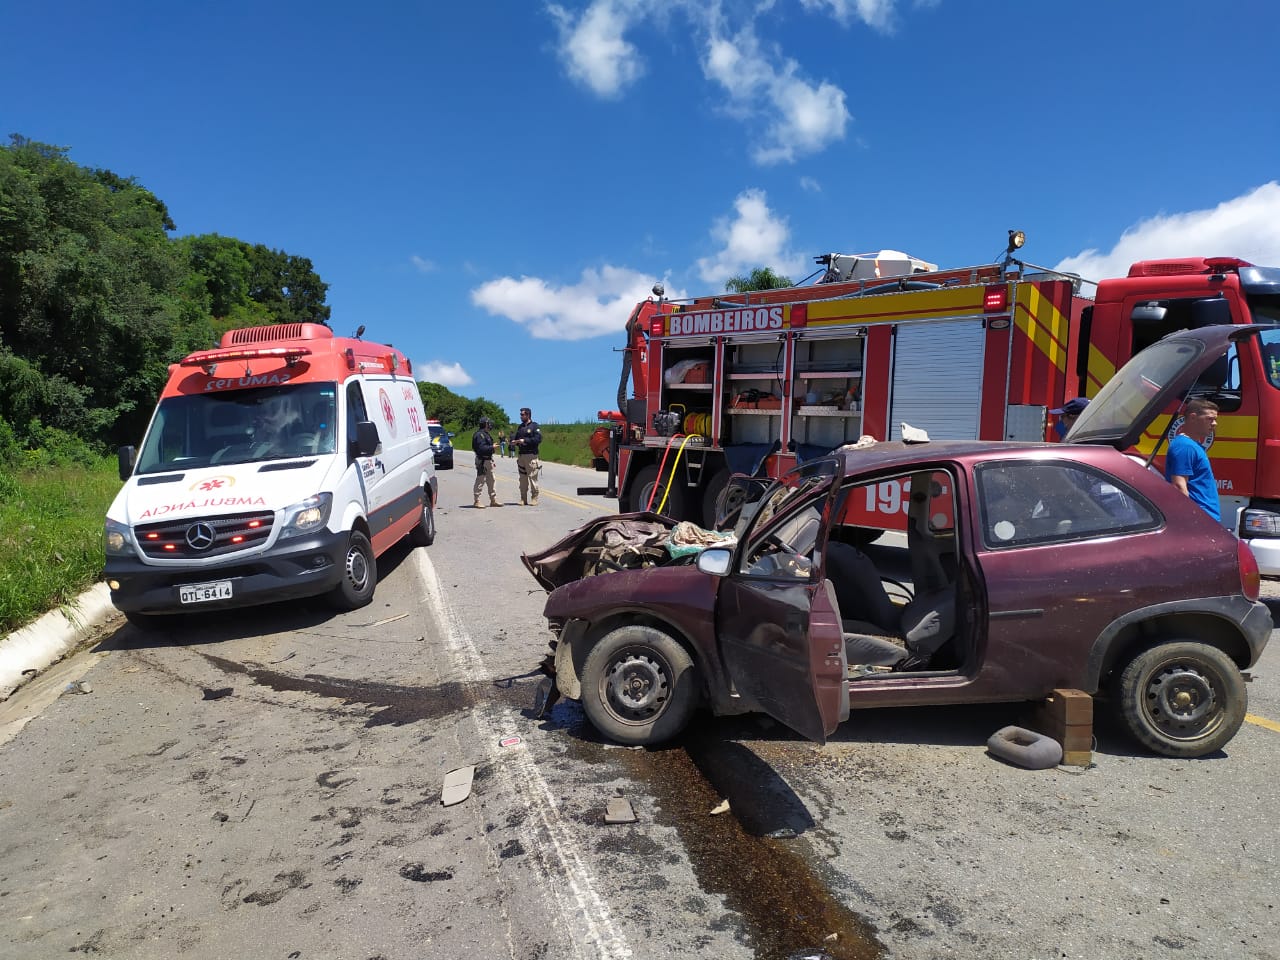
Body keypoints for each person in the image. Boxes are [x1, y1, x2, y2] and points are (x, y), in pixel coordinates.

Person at [1164, 398, 1221, 521]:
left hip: (1206, 518)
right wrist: (1190, 520)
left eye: (1215, 419)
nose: (1215, 423)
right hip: (1199, 519)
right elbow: (1179, 486)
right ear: (1193, 417)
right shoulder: (1185, 447)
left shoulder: (1192, 445)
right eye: (1209, 419)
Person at [511, 406, 542, 506]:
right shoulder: (520, 427)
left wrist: (525, 441)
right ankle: (523, 498)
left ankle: (534, 498)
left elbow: (538, 439)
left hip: (531, 455)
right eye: (520, 414)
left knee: (532, 478)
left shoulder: (534, 426)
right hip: (521, 456)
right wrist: (514, 442)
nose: (521, 416)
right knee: (522, 479)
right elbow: (516, 438)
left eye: (522, 414)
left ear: (528, 415)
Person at [471, 417, 501, 508]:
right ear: (485, 424)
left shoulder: (486, 434)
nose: (490, 425)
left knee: (491, 480)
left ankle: (493, 500)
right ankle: (477, 500)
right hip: (482, 461)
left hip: (488, 460)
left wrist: (491, 448)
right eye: (488, 423)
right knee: (480, 480)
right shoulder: (480, 435)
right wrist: (492, 447)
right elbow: (481, 448)